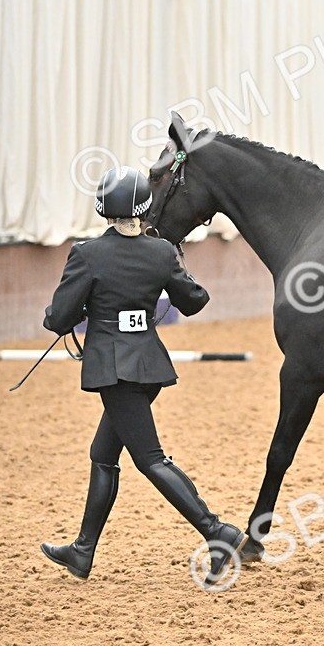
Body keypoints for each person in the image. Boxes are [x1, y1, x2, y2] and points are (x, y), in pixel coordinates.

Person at [39, 165, 246, 586]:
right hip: (149, 366)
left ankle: (216, 531)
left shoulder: (87, 253)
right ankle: (82, 552)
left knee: (150, 459)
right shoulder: (161, 251)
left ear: (103, 209)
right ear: (144, 208)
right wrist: (170, 269)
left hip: (116, 372)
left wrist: (83, 311)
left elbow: (58, 318)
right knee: (103, 454)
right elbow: (195, 301)